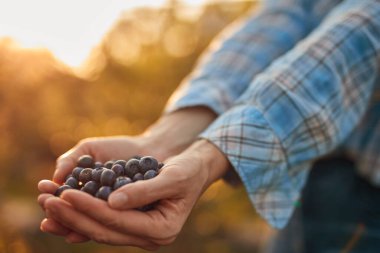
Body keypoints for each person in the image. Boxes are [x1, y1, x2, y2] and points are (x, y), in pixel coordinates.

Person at [38, 0, 380, 251]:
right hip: (314, 184)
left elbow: (364, 33)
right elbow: (292, 12)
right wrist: (166, 137)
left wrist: (210, 155)